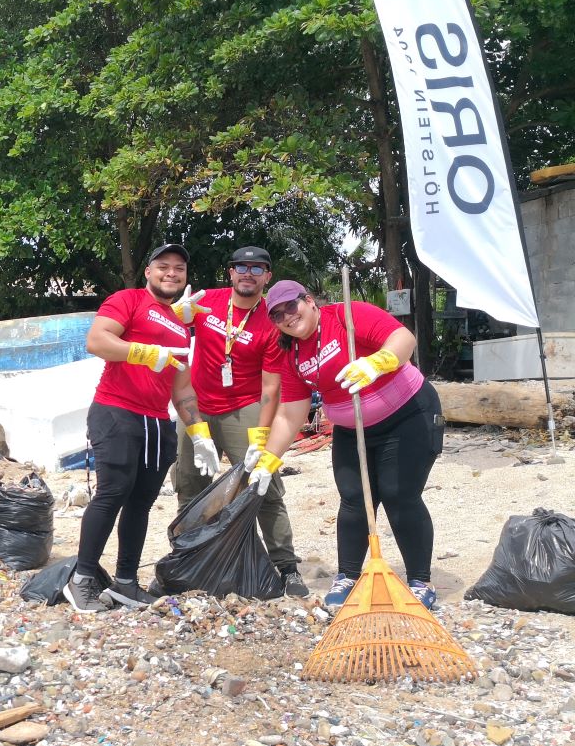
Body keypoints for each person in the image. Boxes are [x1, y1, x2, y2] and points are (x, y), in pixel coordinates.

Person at [249, 280, 444, 610]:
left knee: (399, 495)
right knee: (353, 498)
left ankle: (420, 581)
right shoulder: (292, 353)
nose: (287, 317)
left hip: (408, 417)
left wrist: (378, 362)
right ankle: (348, 576)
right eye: (277, 315)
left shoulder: (347, 317)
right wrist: (269, 459)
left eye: (291, 307)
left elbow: (404, 339)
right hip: (351, 429)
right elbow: (291, 414)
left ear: (309, 301)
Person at [63, 243, 221, 613]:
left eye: (179, 268)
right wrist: (144, 352)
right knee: (112, 492)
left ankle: (125, 583)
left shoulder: (183, 327)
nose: (171, 273)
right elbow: (97, 340)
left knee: (142, 502)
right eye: (163, 266)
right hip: (116, 411)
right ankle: (82, 579)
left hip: (156, 422)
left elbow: (181, 389)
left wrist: (200, 434)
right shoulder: (128, 299)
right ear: (148, 271)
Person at [172, 246, 306, 597]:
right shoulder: (208, 301)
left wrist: (262, 438)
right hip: (198, 405)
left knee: (264, 483)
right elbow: (163, 329)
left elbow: (270, 387)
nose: (248, 273)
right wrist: (176, 313)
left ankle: (286, 566)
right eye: (241, 267)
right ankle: (189, 556)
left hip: (244, 407)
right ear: (230, 273)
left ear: (267, 276)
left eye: (257, 267)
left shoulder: (271, 320)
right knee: (189, 484)